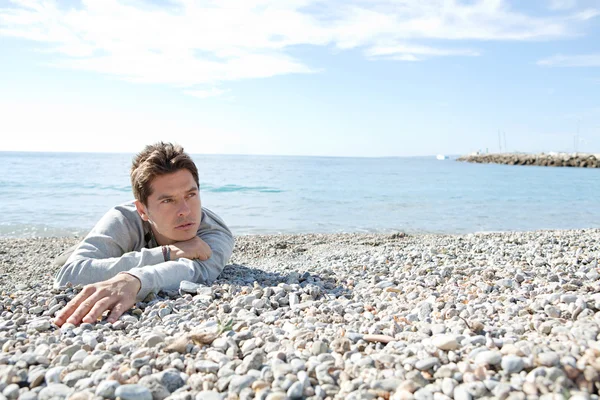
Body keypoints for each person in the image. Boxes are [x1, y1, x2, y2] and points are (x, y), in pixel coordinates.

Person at [52, 142, 235, 327]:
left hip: (132, 253)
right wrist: (167, 252)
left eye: (190, 195)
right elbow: (68, 275)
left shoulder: (216, 234)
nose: (185, 211)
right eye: (168, 200)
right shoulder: (124, 218)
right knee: (62, 261)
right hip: (119, 244)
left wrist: (136, 280)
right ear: (142, 209)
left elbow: (195, 271)